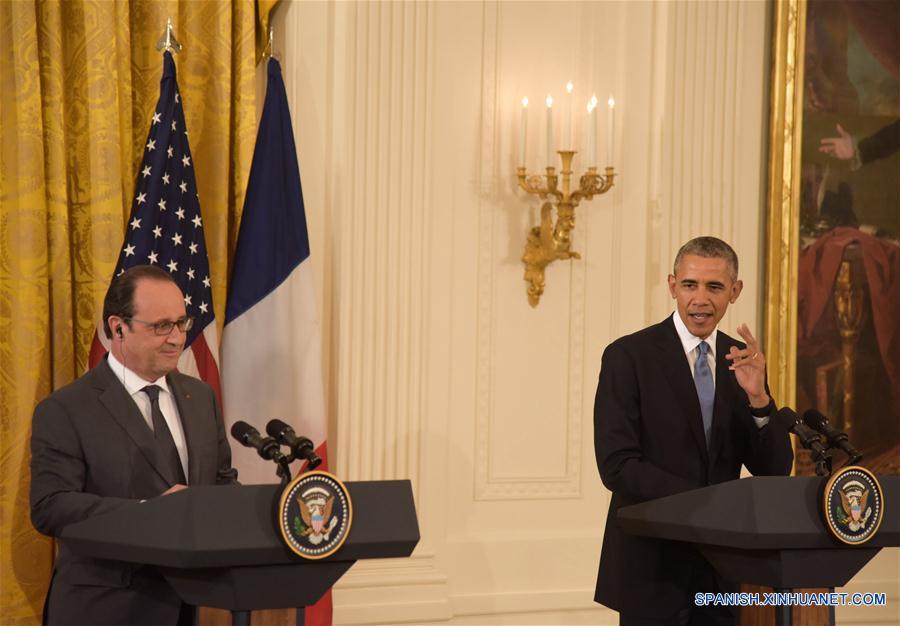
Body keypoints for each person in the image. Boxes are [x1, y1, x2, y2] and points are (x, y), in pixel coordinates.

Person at [593, 237, 794, 626]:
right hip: (651, 566)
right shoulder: (628, 356)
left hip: (720, 570)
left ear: (735, 292)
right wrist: (705, 502)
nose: (700, 299)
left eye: (714, 287)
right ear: (672, 286)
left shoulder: (742, 359)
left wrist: (759, 400)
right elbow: (616, 465)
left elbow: (774, 469)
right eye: (690, 285)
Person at [30, 265, 237, 626]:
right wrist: (148, 512)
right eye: (161, 326)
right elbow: (51, 506)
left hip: (197, 607)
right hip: (106, 609)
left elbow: (221, 482)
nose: (177, 338)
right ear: (118, 327)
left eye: (182, 323)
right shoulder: (65, 409)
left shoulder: (200, 397)